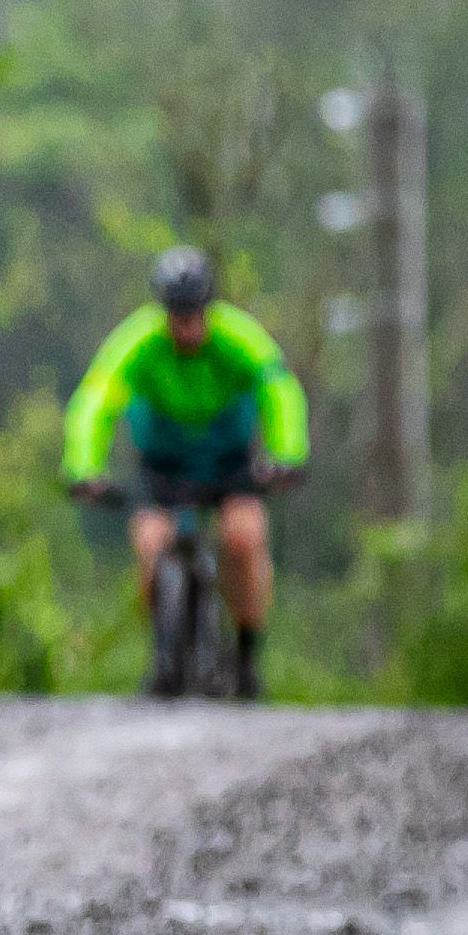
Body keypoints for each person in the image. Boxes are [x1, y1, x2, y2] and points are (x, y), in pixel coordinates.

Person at [63, 246, 309, 696]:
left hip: (228, 465)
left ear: (208, 307)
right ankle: (164, 651)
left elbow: (278, 387)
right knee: (150, 544)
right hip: (164, 466)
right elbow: (96, 397)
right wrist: (83, 467)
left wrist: (287, 454)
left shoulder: (236, 336)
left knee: (243, 538)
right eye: (177, 314)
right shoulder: (141, 341)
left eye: (194, 312)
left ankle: (247, 655)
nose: (187, 324)